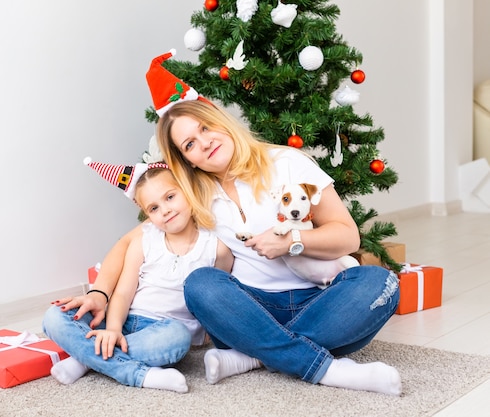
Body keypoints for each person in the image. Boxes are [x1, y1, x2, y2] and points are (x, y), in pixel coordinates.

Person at [55, 50, 402, 396]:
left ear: (221, 120)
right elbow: (131, 242)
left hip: (320, 300)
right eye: (190, 143)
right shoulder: (192, 195)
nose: (204, 143)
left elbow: (347, 237)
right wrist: (100, 292)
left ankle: (254, 356)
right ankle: (325, 368)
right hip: (245, 309)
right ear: (185, 159)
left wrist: (292, 241)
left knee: (381, 283)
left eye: (206, 128)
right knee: (202, 284)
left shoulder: (287, 161)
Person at [43, 164, 233, 393]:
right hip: (123, 320)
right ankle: (140, 375)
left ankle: (84, 359)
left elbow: (214, 300)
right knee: (54, 316)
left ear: (188, 190)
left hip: (163, 331)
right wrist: (113, 328)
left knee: (178, 338)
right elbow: (123, 293)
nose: (165, 210)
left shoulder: (217, 249)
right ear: (147, 215)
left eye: (170, 197)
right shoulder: (144, 240)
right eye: (153, 208)